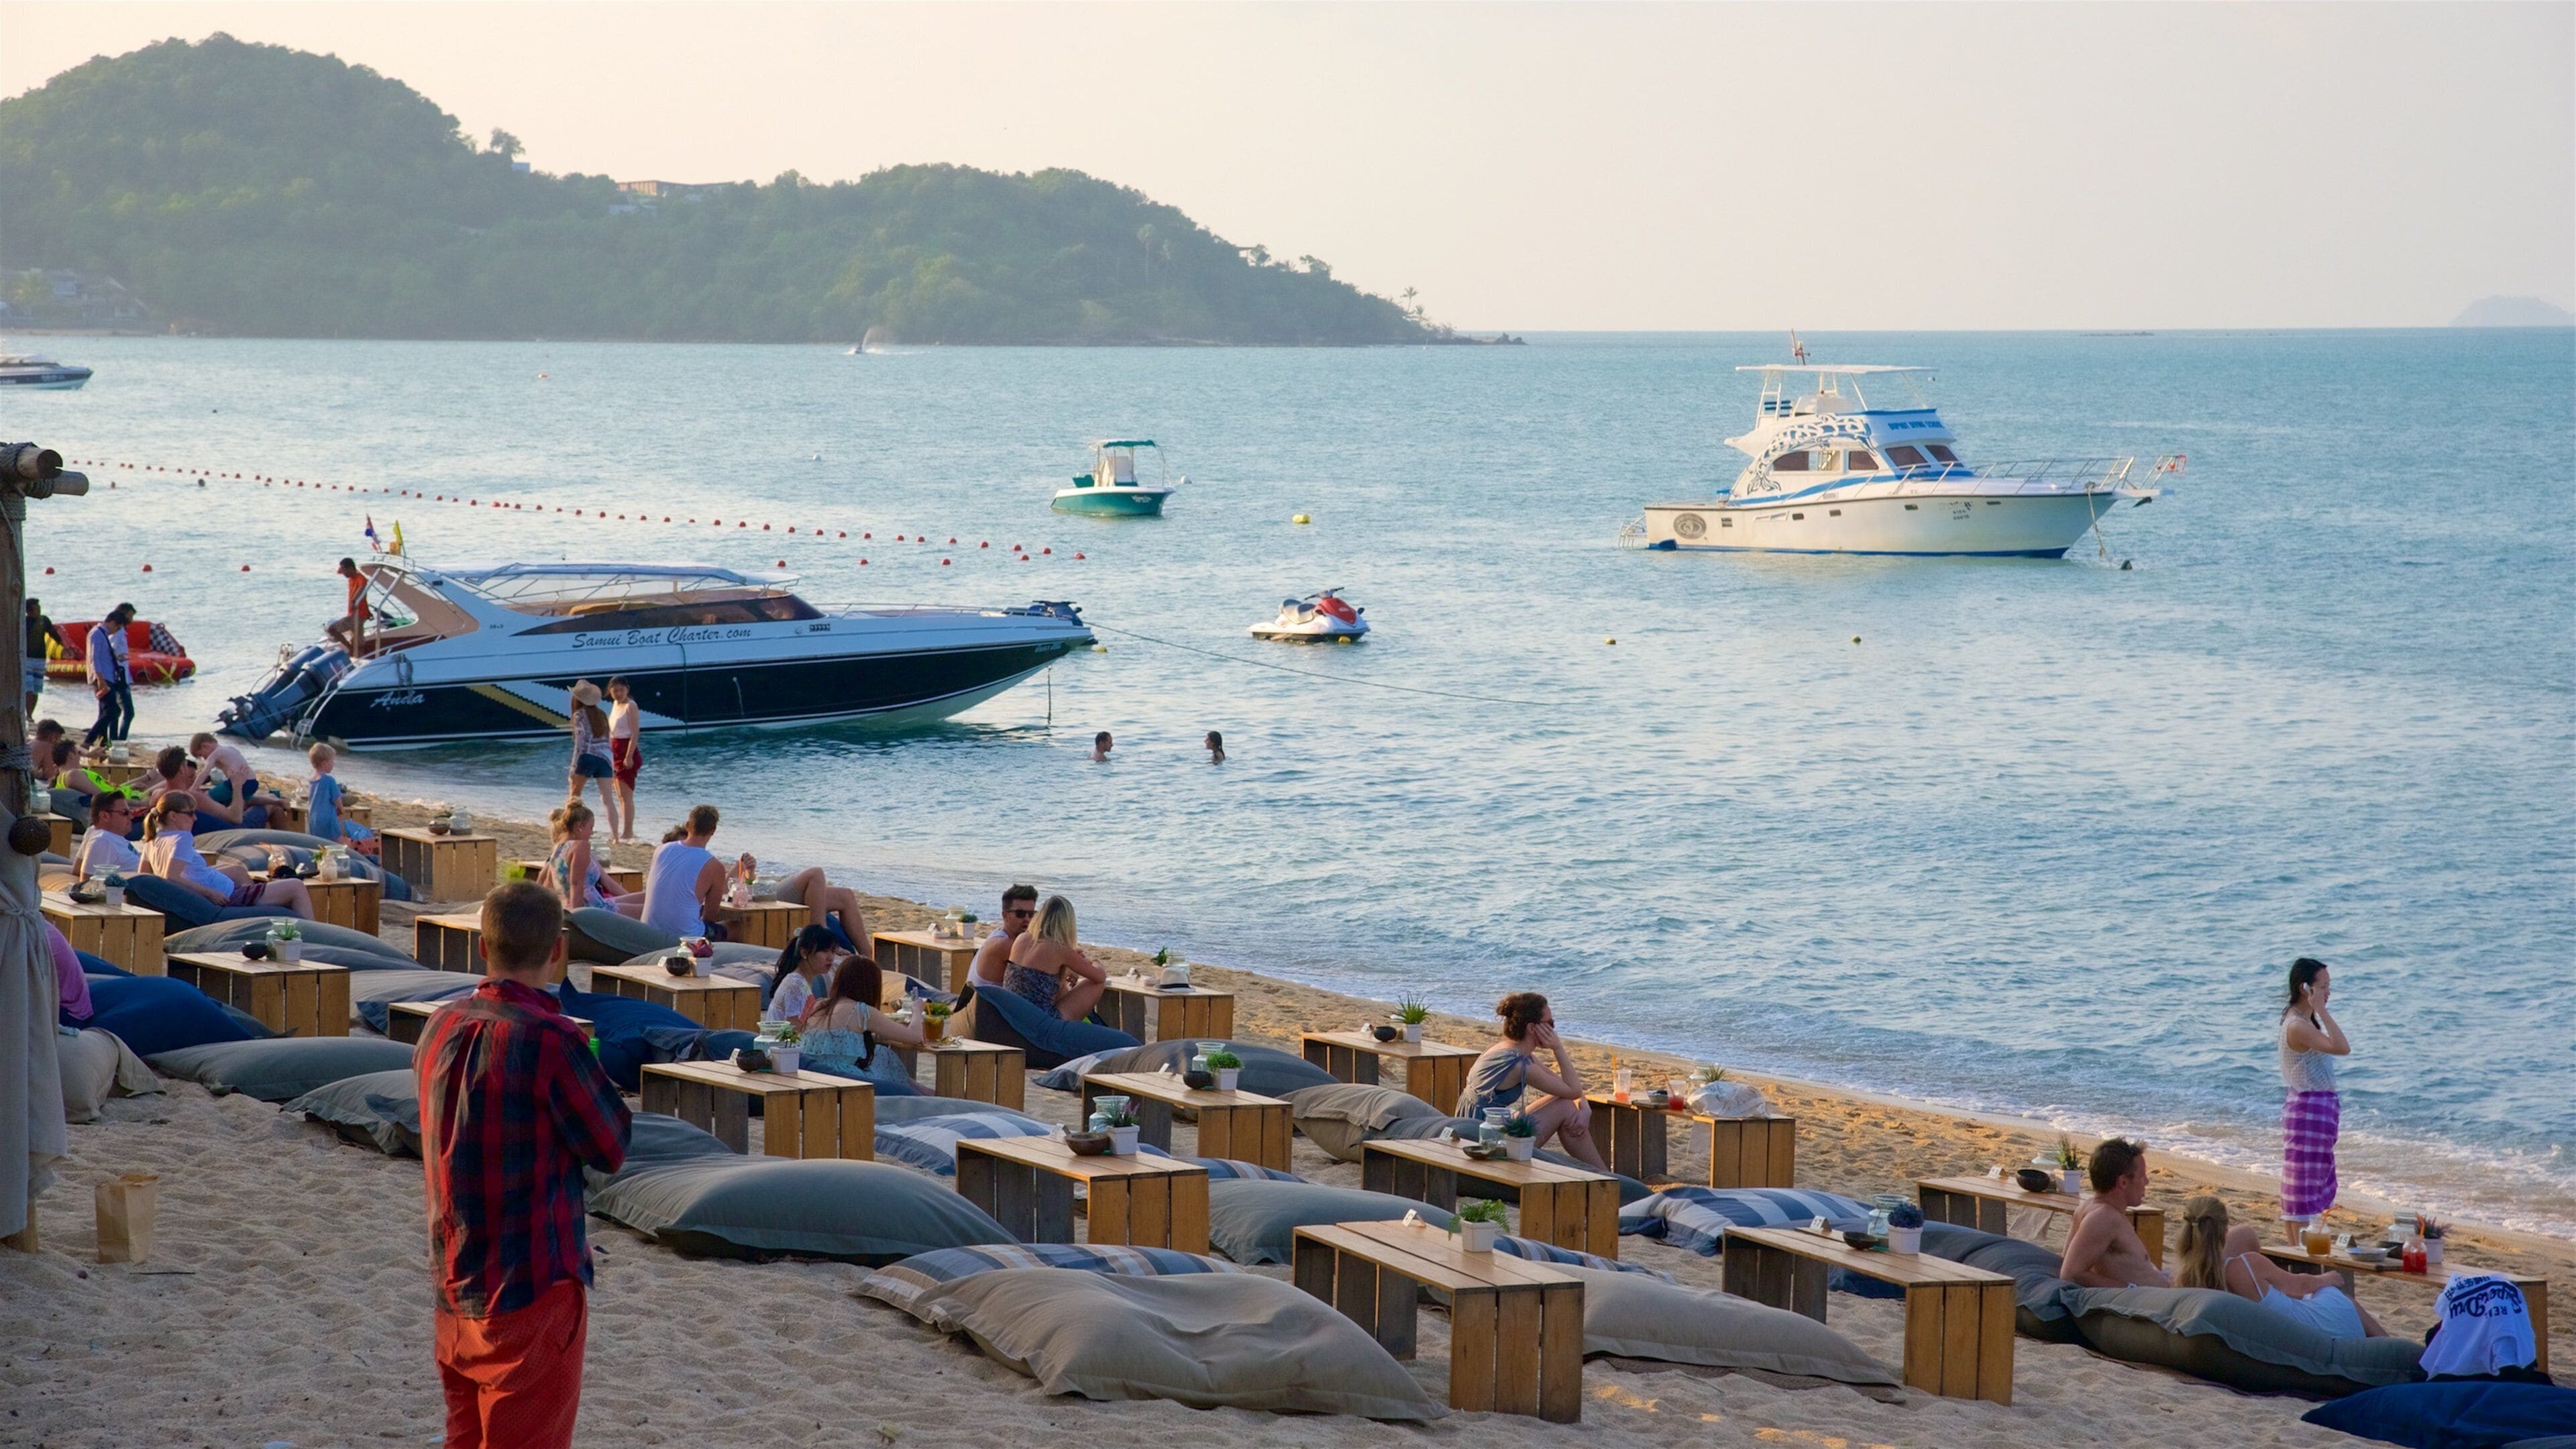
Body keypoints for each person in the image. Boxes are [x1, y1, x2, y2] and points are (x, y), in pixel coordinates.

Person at [417, 882, 631, 1449]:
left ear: (483, 945)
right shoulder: (552, 1040)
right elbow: (610, 1146)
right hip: (531, 1285)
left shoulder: (440, 1025)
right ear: (558, 951)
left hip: (455, 1277)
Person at [2171, 1195, 2385, 1338]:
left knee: (2319, 1298)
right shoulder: (2245, 1265)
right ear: (2226, 1230)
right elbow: (2300, 1285)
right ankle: (2392, 1346)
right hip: (2302, 1328)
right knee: (2335, 1296)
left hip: (2277, 1324)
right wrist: (2326, 1279)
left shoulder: (2185, 1279)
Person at [1455, 992, 1610, 1171]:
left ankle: (1603, 1174)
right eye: (1550, 1024)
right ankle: (1605, 1175)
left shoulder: (1511, 1050)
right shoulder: (1519, 1065)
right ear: (1532, 1028)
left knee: (1567, 1104)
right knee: (1566, 1107)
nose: (1553, 1030)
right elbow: (1572, 1090)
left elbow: (1565, 1087)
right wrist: (1558, 1048)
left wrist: (1585, 1107)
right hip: (1484, 1139)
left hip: (1479, 1125)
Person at [138, 795, 313, 918]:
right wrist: (210, 893)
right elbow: (171, 877)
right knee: (297, 886)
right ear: (173, 816)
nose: (195, 819)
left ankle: (257, 910)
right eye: (190, 813)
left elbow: (144, 876)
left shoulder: (152, 839)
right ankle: (313, 935)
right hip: (226, 896)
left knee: (237, 870)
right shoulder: (182, 837)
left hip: (212, 890)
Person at [2280, 957, 2349, 1232]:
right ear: (2304, 989)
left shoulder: (2303, 1022)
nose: (2328, 993)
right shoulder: (2297, 1025)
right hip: (2308, 1110)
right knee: (2303, 1185)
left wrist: (2318, 1010)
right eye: (2323, 987)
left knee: (2314, 1178)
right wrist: (2321, 1011)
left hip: (2315, 1110)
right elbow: (2342, 1047)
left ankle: (2304, 1246)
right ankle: (2299, 1250)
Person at [797, 953, 924, 1093]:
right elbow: (915, 1037)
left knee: (882, 1053)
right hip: (845, 1079)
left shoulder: (819, 1004)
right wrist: (917, 1010)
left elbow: (835, 1040)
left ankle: (924, 1092)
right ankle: (926, 1095)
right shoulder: (861, 1011)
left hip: (812, 1074)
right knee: (885, 1056)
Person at [2057, 1138, 2171, 1288]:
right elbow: (2070, 1274)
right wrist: (2130, 1289)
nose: (2147, 1182)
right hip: (2148, 1304)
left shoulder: (2089, 1207)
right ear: (2123, 1182)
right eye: (2142, 1176)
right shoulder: (2104, 1217)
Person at [1003, 894, 1110, 1022]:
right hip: (1039, 1021)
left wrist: (1070, 967)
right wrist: (1092, 960)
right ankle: (1068, 1031)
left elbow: (1039, 978)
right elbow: (1100, 976)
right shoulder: (1059, 948)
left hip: (1011, 1012)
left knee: (1060, 979)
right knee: (1096, 984)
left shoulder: (1023, 938)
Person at [641, 804, 730, 941]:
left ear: (688, 825)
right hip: (686, 937)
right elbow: (711, 916)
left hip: (648, 929)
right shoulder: (714, 866)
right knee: (735, 927)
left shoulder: (661, 850)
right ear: (713, 831)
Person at [545, 801, 631, 913]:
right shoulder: (581, 846)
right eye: (591, 828)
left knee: (645, 898)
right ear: (580, 827)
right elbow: (576, 884)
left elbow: (547, 883)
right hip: (593, 909)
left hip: (574, 906)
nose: (592, 833)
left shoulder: (558, 849)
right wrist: (577, 917)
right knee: (651, 908)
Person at [564, 682, 622, 840]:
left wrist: (573, 766)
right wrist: (613, 764)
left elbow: (580, 744)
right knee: (608, 800)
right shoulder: (602, 714)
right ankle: (616, 836)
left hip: (587, 756)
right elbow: (608, 741)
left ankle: (570, 830)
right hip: (605, 758)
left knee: (575, 796)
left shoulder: (579, 715)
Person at [304, 743, 378, 856]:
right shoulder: (329, 781)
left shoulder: (311, 781)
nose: (333, 765)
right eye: (332, 762)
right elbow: (338, 802)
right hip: (328, 820)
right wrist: (340, 810)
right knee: (338, 845)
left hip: (313, 820)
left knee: (319, 846)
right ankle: (349, 859)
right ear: (324, 763)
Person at [967, 883, 1040, 992]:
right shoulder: (1003, 944)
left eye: (1032, 914)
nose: (1027, 919)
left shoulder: (1001, 934)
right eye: (1020, 914)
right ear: (1005, 915)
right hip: (984, 1007)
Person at [83, 602, 137, 747]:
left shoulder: (102, 634)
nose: (116, 631)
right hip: (103, 677)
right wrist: (100, 679)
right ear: (112, 622)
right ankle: (89, 740)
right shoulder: (97, 634)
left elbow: (103, 655)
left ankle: (101, 741)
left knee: (107, 711)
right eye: (117, 627)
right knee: (112, 711)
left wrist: (117, 658)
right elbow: (94, 658)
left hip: (107, 676)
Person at [765, 924, 843, 1021]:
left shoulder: (801, 981)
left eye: (833, 952)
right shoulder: (795, 984)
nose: (831, 958)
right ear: (804, 953)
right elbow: (795, 1030)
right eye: (825, 951)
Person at [189, 732, 272, 820]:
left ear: (204, 746)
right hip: (252, 783)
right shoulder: (230, 749)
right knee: (249, 800)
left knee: (206, 797)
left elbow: (205, 772)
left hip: (238, 783)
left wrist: (192, 790)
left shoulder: (215, 754)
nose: (204, 759)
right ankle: (277, 802)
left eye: (201, 755)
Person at [71, 791, 144, 879]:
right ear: (105, 816)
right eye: (125, 813)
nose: (131, 817)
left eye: (130, 812)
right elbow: (87, 882)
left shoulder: (94, 831)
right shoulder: (102, 841)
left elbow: (77, 870)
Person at [605, 678, 641, 843]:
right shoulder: (615, 705)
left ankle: (628, 832)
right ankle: (624, 831)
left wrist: (629, 756)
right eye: (615, 691)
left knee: (626, 794)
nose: (619, 694)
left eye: (621, 690)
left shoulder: (630, 706)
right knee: (619, 794)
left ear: (627, 689)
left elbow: (634, 733)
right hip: (614, 748)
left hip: (626, 747)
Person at [24, 598, 66, 714]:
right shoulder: (24, 622)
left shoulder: (44, 620)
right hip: (26, 659)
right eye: (37, 608)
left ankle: (30, 715)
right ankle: (26, 714)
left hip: (41, 659)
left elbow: (53, 634)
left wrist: (64, 647)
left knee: (36, 689)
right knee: (28, 689)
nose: (40, 610)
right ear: (29, 611)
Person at [324, 557, 369, 651]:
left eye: (344, 570)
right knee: (358, 641)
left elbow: (362, 588)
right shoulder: (350, 580)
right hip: (355, 614)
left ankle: (350, 649)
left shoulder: (361, 578)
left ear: (351, 568)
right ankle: (357, 653)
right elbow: (364, 598)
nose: (343, 573)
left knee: (332, 629)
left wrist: (353, 601)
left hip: (358, 615)